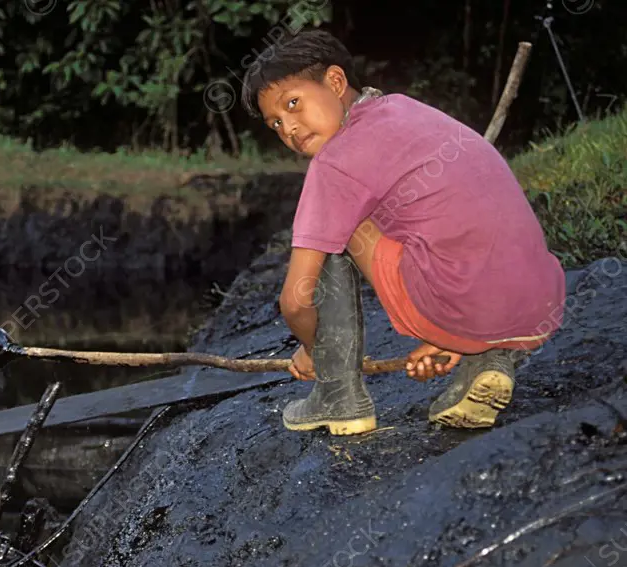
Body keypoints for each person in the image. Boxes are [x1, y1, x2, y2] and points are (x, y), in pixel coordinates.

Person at [241, 29, 566, 435]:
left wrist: (312, 350)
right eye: (275, 122)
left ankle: (338, 396)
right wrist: (449, 336)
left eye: (293, 104)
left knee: (328, 230)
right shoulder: (406, 109)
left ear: (336, 82)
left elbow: (294, 301)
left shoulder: (334, 163)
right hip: (535, 302)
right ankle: (488, 357)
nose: (288, 127)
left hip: (456, 299)